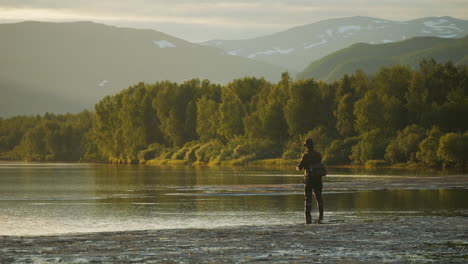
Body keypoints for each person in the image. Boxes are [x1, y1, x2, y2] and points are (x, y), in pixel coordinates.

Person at [296, 138, 324, 224]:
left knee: (308, 198)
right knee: (319, 197)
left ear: (307, 146)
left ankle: (307, 217)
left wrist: (296, 167)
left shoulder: (305, 156)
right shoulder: (318, 155)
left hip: (309, 180)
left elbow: (299, 167)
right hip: (318, 180)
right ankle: (321, 215)